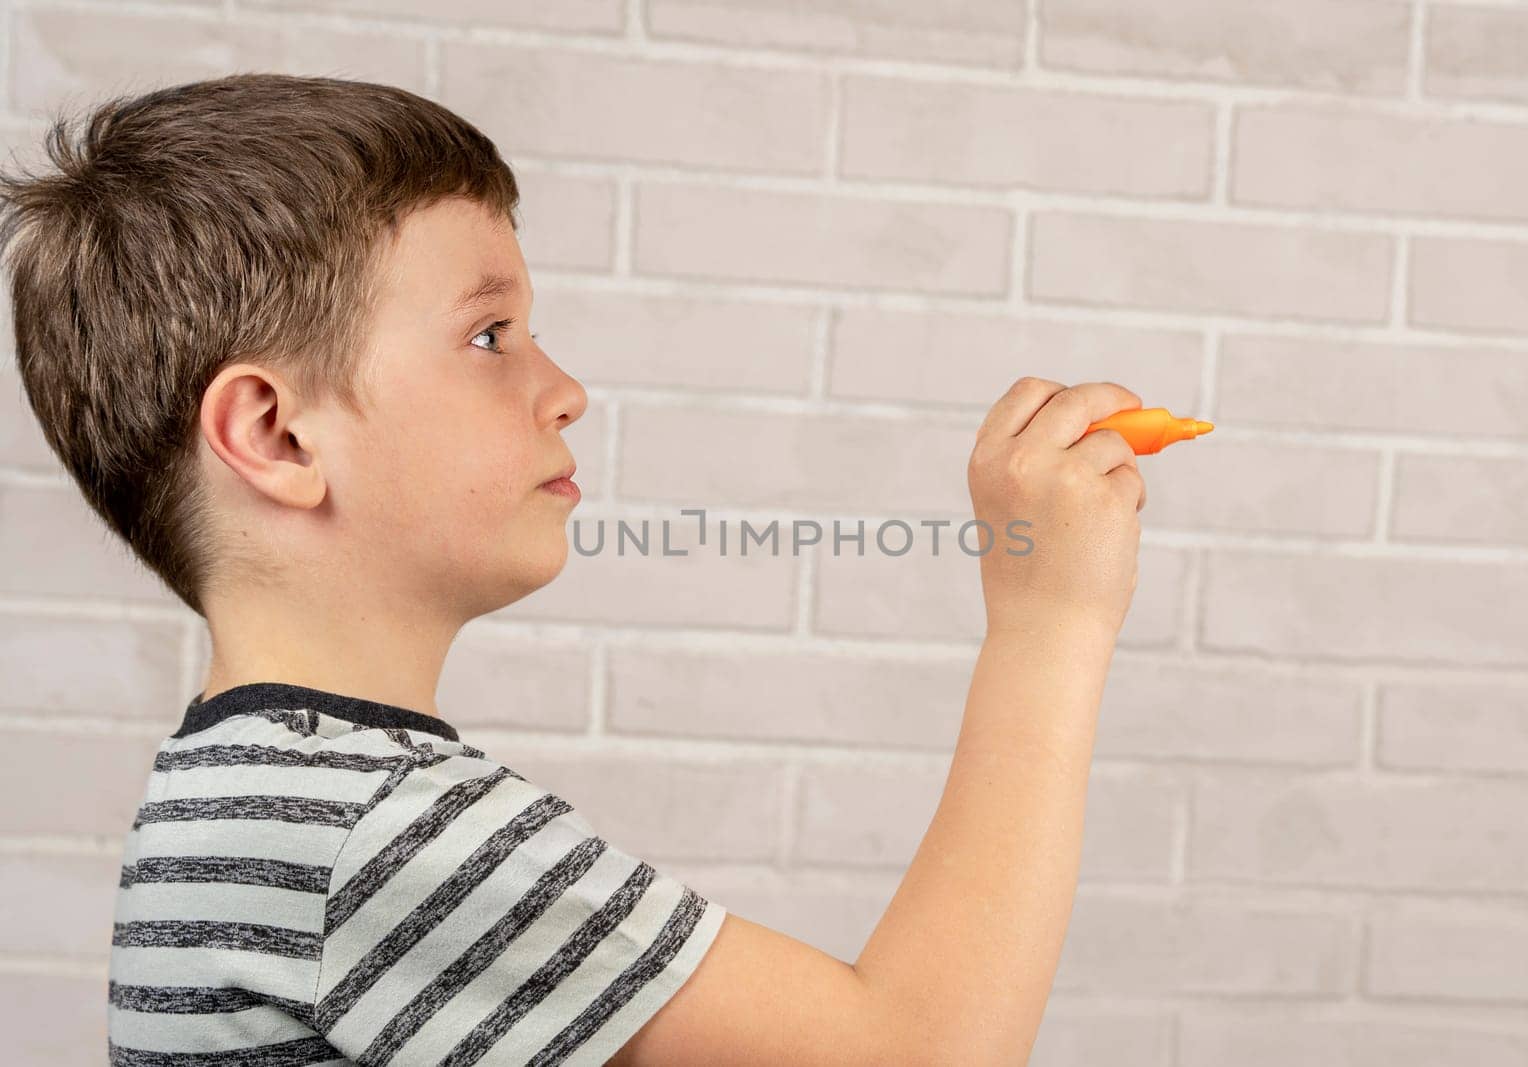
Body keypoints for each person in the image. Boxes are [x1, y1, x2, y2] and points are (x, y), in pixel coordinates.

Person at [0, 72, 1145, 1065]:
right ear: (278, 435)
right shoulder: (369, 827)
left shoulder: (260, 785)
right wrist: (1050, 619)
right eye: (489, 336)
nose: (565, 389)